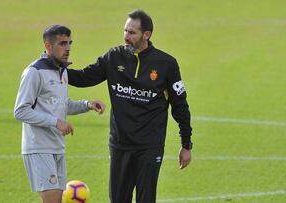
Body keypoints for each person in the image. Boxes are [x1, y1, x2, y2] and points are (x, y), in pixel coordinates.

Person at [67, 9, 193, 203]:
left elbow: (180, 106)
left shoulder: (166, 64)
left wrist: (186, 144)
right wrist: (56, 67)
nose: (126, 36)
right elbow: (85, 77)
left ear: (146, 35)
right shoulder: (114, 57)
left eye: (132, 32)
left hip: (149, 147)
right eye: (125, 31)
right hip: (120, 145)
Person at [14, 25, 105, 203]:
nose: (68, 48)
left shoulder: (61, 71)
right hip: (38, 147)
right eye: (63, 43)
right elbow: (20, 111)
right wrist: (55, 122)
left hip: (57, 146)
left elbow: (61, 105)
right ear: (48, 45)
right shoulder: (34, 72)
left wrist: (87, 105)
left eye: (70, 43)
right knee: (53, 199)